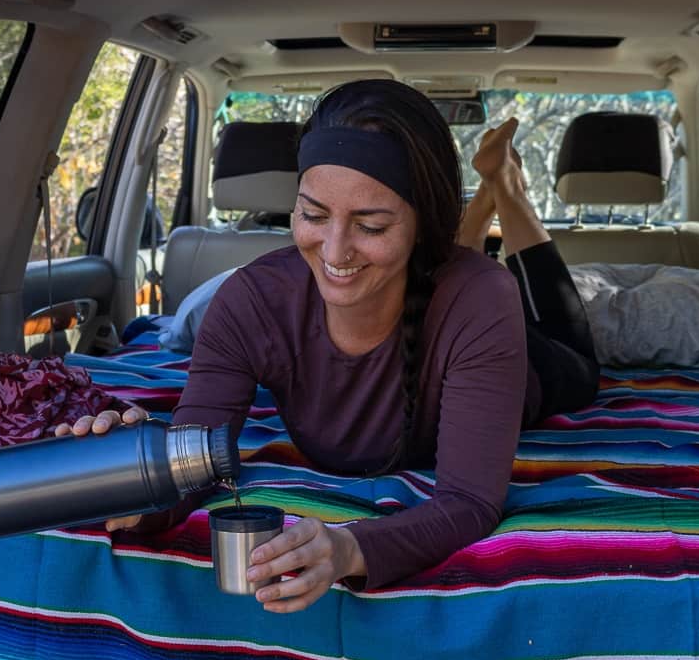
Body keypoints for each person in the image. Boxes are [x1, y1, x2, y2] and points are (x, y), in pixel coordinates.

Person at [56, 79, 600, 610]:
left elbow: (470, 501)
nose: (334, 250)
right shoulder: (250, 302)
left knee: (580, 361)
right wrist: (134, 486)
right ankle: (477, 207)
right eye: (313, 215)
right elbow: (192, 465)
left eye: (371, 224)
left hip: (522, 363)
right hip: (441, 285)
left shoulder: (481, 299)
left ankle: (505, 188)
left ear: (421, 227)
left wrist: (351, 547)